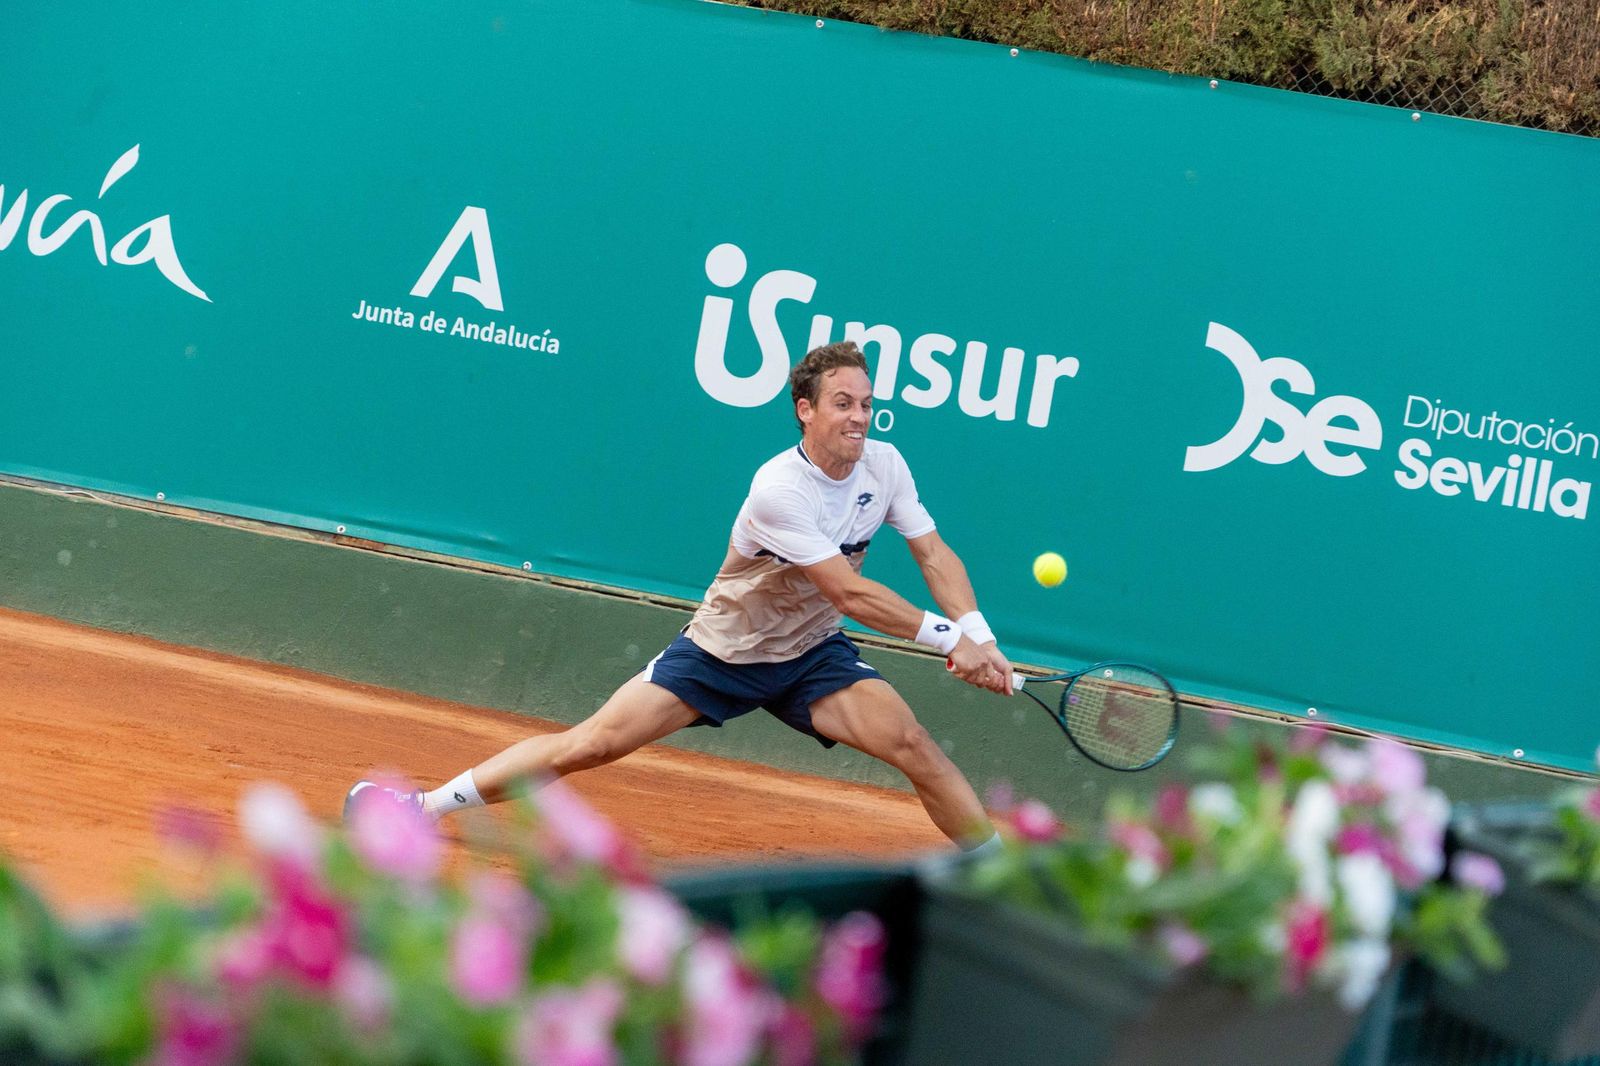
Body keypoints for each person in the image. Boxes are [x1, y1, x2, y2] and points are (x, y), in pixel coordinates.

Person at [346, 341, 1014, 853]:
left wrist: (980, 635)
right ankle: (420, 808)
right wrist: (950, 639)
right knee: (591, 745)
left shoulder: (885, 466)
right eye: (844, 403)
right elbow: (848, 591)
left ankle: (993, 871)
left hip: (811, 654)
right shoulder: (779, 490)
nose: (860, 417)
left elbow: (933, 553)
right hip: (724, 651)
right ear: (805, 409)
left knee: (913, 744)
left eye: (866, 404)